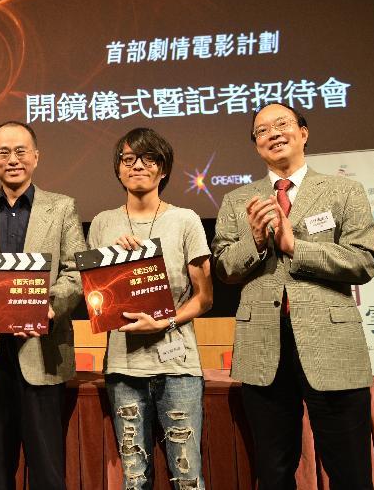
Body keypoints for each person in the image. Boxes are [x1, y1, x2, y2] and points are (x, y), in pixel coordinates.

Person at [211, 103, 374, 489]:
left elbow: (364, 261)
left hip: (332, 343)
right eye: (262, 131)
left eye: (282, 124)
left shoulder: (344, 191)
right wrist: (254, 241)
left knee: (349, 469)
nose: (273, 133)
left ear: (303, 133)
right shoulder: (238, 200)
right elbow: (223, 268)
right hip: (263, 347)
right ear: (256, 146)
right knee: (273, 470)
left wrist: (294, 246)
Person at [0, 120, 86, 490]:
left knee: (47, 467)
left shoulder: (61, 208)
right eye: (4, 152)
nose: (13, 159)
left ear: (36, 157)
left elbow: (76, 273)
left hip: (41, 349)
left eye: (21, 151)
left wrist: (50, 307)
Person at [87, 127, 213, 490]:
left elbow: (204, 298)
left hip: (178, 366)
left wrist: (163, 321)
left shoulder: (185, 219)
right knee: (134, 477)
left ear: (163, 169)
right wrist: (117, 265)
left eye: (149, 158)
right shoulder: (102, 223)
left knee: (187, 477)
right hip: (124, 367)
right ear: (119, 169)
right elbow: (96, 299)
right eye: (128, 159)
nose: (137, 165)